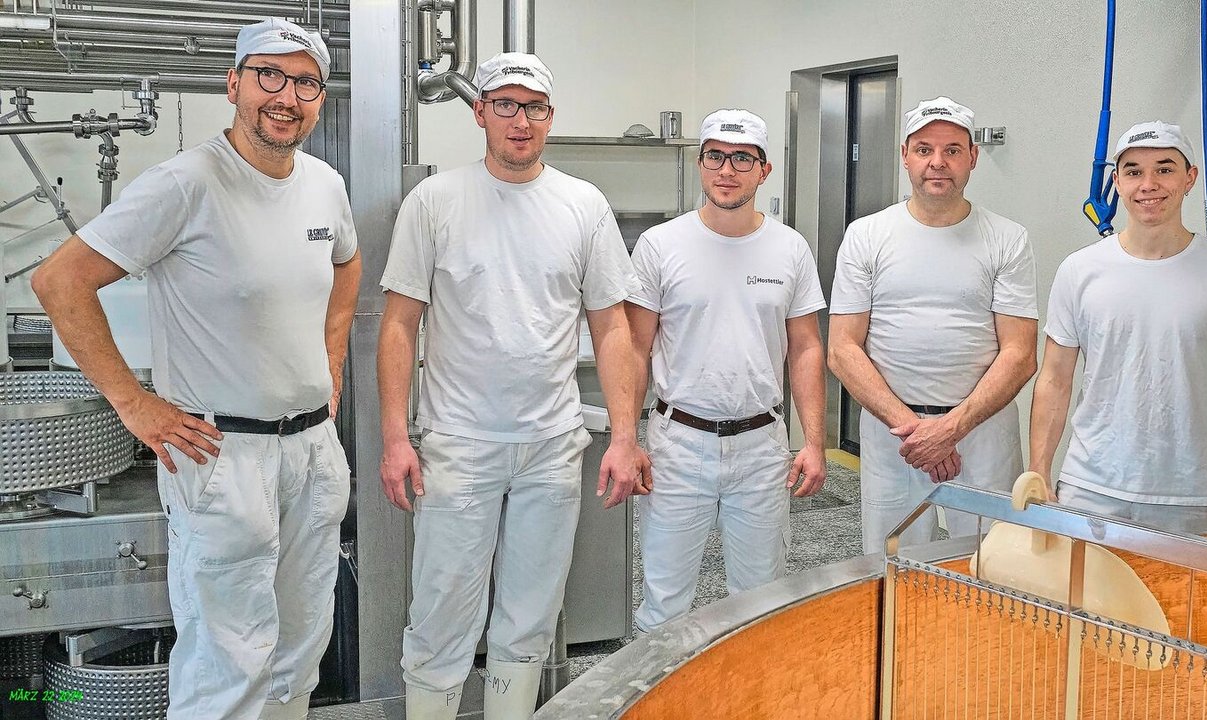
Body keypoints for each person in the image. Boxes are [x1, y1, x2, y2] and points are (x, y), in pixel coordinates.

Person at [31, 17, 360, 720]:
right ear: (233, 84)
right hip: (220, 454)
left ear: (319, 99)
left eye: (305, 83)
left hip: (311, 449)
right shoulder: (185, 184)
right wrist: (134, 403)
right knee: (227, 662)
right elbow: (60, 281)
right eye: (269, 75)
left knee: (300, 649)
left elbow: (347, 263)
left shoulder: (325, 184)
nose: (286, 96)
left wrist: (331, 358)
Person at [377, 52, 648, 720]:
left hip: (550, 447)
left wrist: (624, 436)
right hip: (459, 445)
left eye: (533, 108)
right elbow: (399, 325)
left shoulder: (582, 206)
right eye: (505, 105)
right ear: (480, 113)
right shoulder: (435, 202)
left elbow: (612, 327)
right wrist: (395, 437)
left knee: (529, 620)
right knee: (441, 617)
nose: (520, 121)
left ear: (550, 117)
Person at [626, 109, 827, 632]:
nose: (727, 170)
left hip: (761, 447)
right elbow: (634, 349)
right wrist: (626, 439)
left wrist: (814, 442)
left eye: (742, 159)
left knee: (760, 603)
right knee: (665, 603)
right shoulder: (661, 245)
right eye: (715, 156)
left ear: (764, 170)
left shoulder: (790, 248)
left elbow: (806, 348)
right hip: (678, 444)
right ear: (700, 164)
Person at [1029, 120, 1207, 523]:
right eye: (1134, 171)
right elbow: (1054, 379)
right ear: (1117, 182)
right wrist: (1039, 472)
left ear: (1190, 178)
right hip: (1090, 489)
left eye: (1164, 169)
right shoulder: (1079, 270)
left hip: (1189, 494)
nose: (1148, 184)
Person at [827, 96, 1038, 552]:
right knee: (892, 561)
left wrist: (950, 429)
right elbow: (842, 349)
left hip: (982, 430)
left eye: (952, 150)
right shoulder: (867, 235)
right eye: (924, 149)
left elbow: (1020, 354)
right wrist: (915, 430)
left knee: (989, 563)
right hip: (894, 433)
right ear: (905, 155)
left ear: (973, 157)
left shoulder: (1007, 239)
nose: (937, 162)